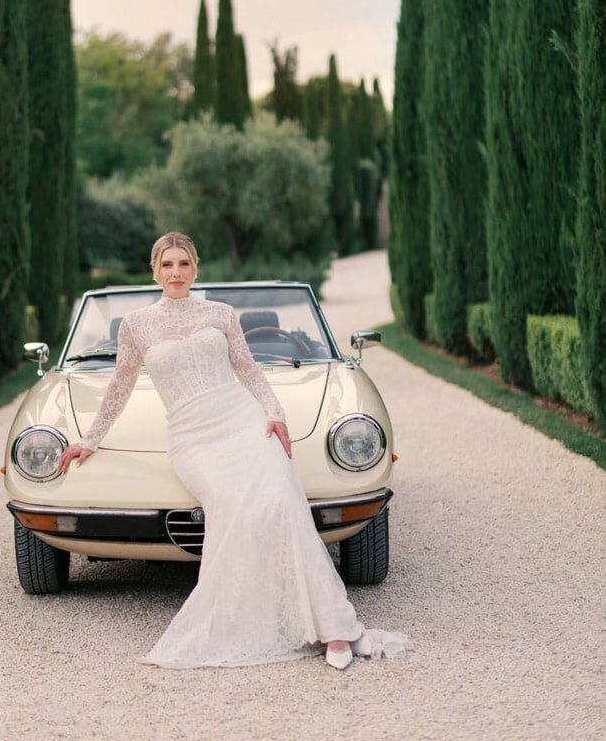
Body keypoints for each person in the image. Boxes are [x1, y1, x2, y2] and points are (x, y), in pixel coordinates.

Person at [58, 231, 412, 670]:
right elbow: (120, 386)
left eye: (183, 264)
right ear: (154, 271)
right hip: (192, 436)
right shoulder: (136, 325)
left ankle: (337, 626)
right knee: (231, 506)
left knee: (282, 499)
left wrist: (275, 413)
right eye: (167, 264)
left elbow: (248, 369)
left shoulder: (221, 313)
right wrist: (89, 439)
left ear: (195, 268)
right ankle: (274, 620)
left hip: (241, 418)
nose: (175, 272)